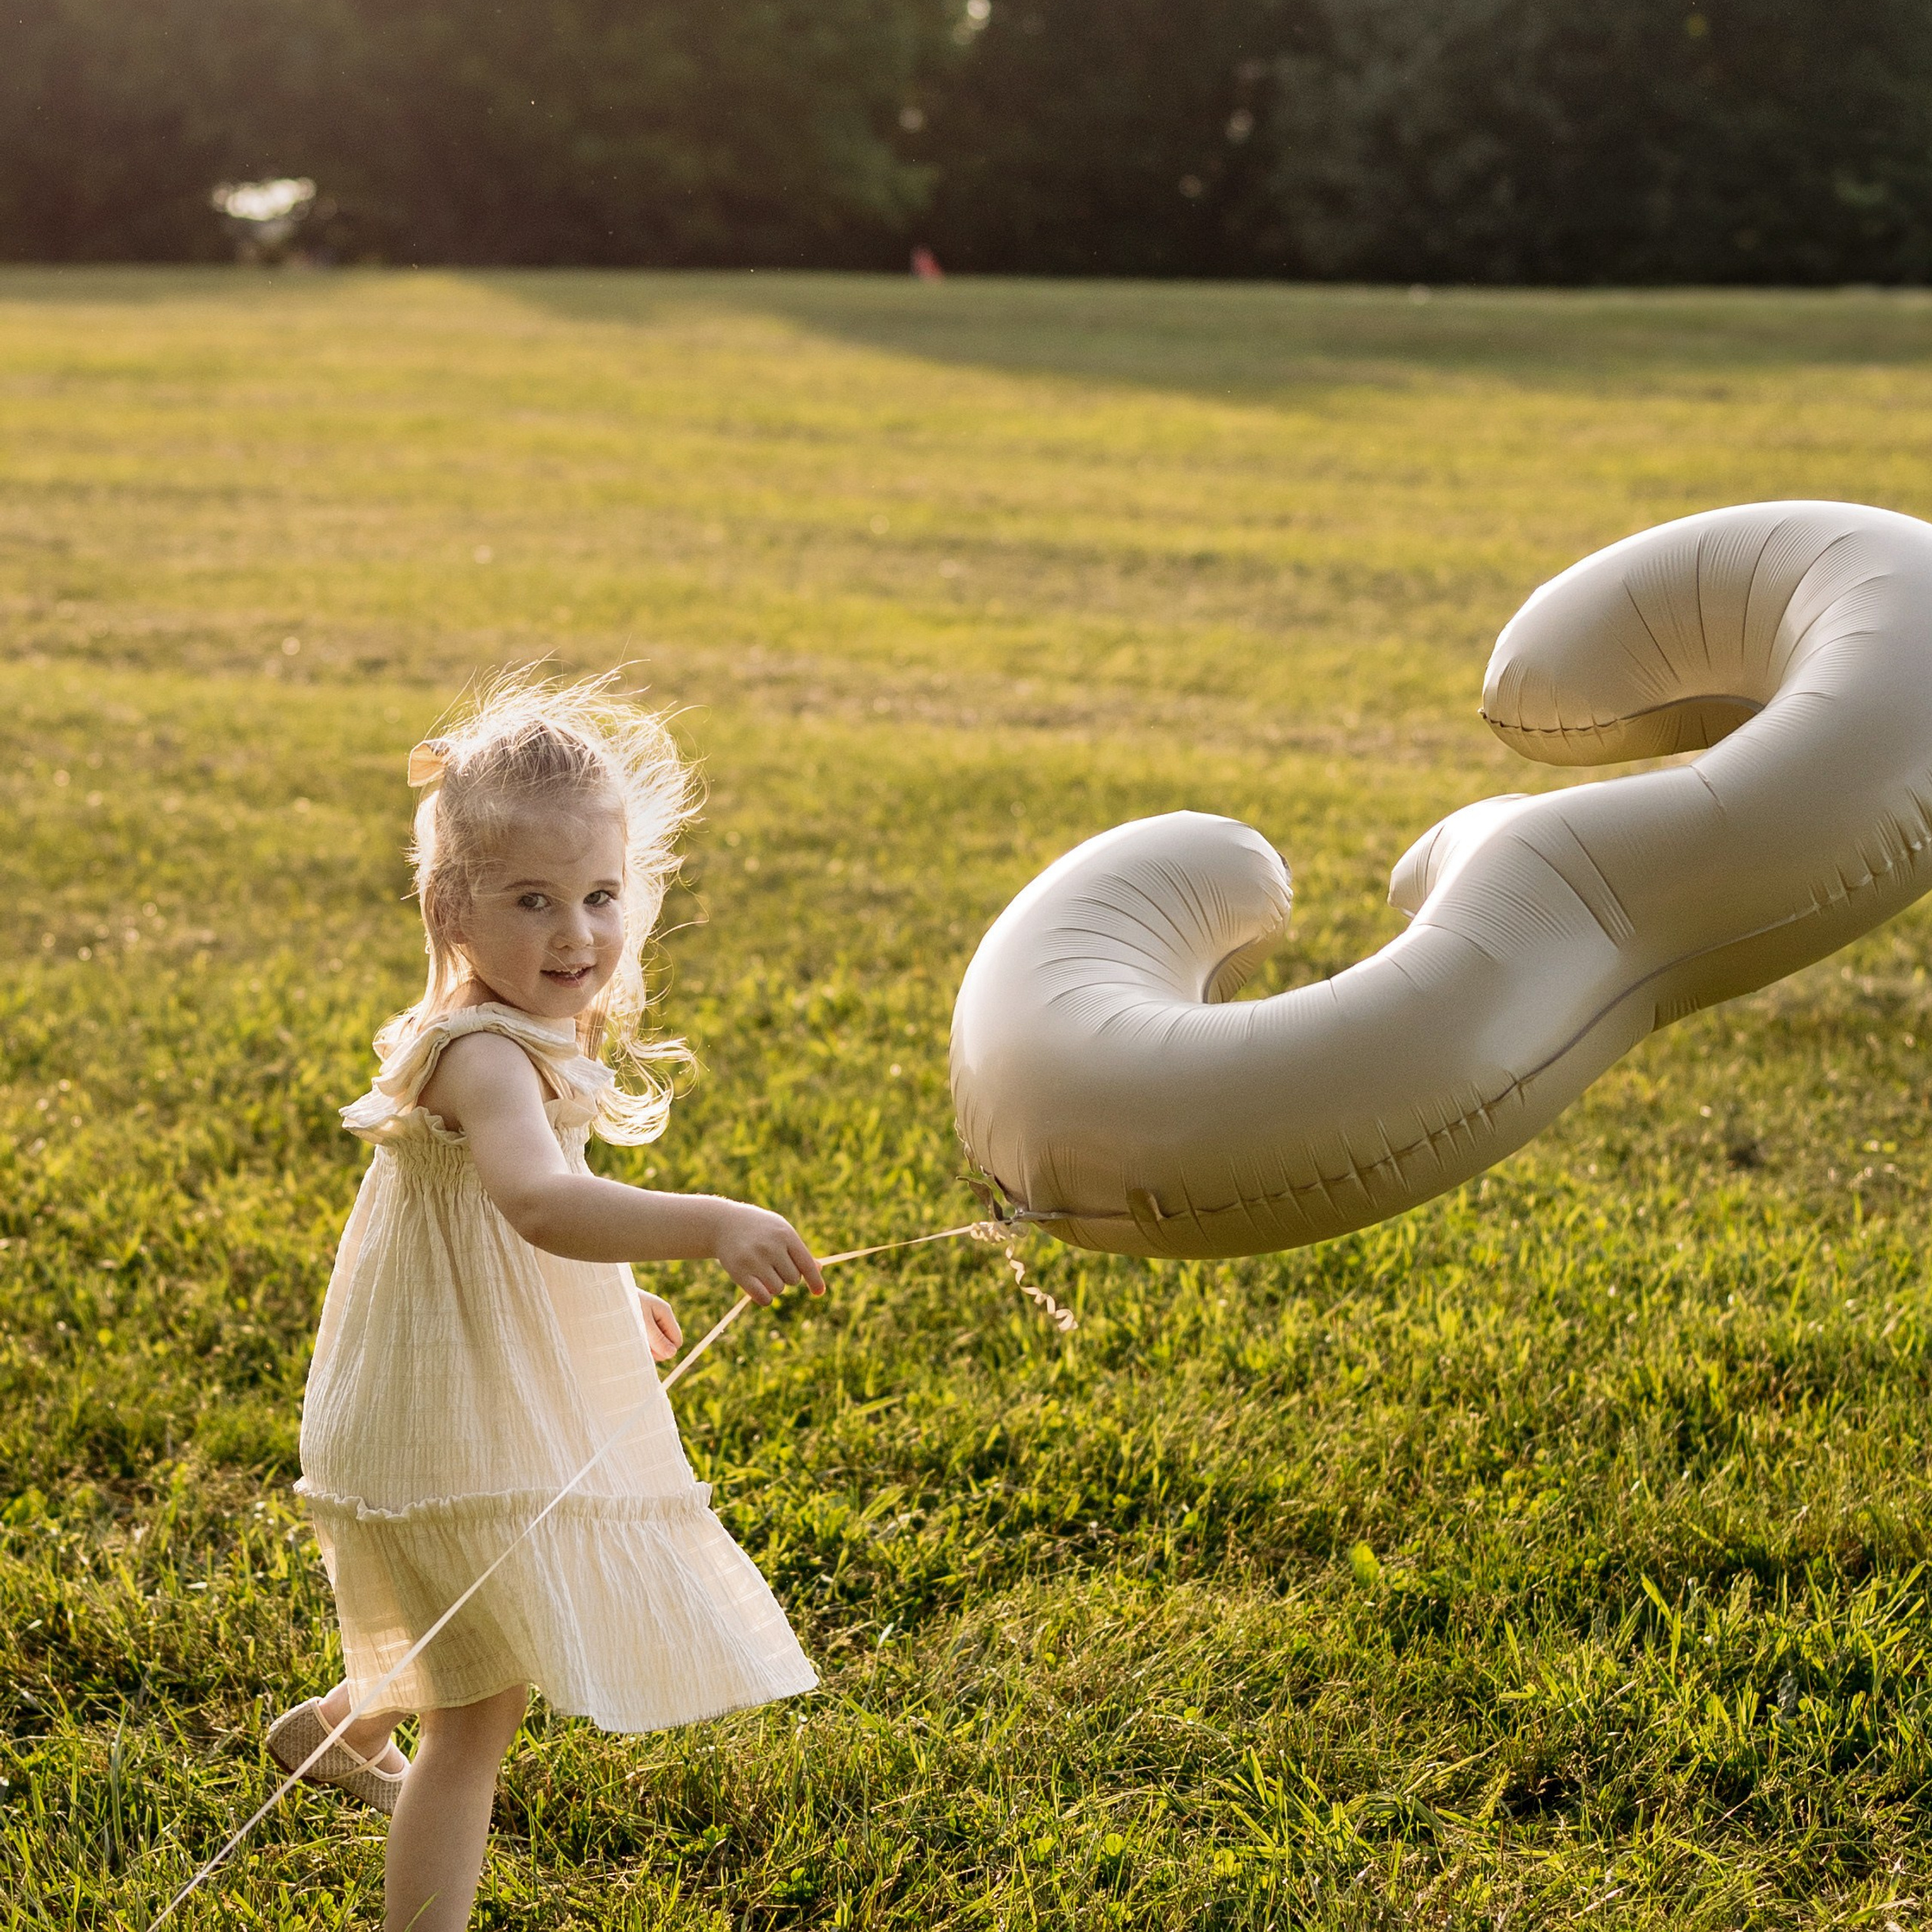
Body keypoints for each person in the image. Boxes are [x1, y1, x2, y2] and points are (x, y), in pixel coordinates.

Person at [266, 672, 823, 1932]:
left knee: (479, 1635)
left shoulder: (518, 1031)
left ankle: (340, 1732)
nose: (577, 934)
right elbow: (533, 1200)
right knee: (481, 1711)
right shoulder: (479, 1053)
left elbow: (550, 1204)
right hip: (446, 1419)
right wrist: (711, 1226)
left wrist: (612, 1299)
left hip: (469, 1394)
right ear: (452, 908)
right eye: (533, 902)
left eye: (599, 898)